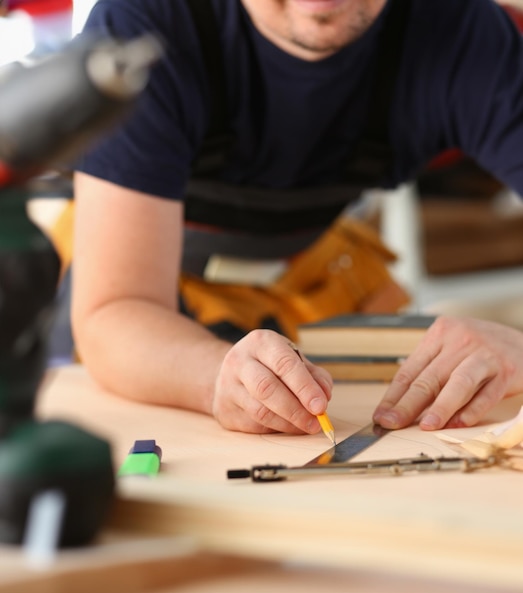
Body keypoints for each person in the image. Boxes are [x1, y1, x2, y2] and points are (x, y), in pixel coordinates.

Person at [72, 0, 523, 438]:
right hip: (152, 315)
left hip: (308, 272)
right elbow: (114, 311)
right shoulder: (140, 28)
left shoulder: (462, 28)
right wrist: (213, 378)